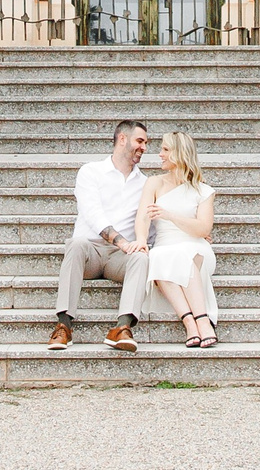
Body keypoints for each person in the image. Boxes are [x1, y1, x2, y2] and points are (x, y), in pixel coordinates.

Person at [50, 119, 154, 351]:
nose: (144, 148)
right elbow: (93, 214)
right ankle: (64, 325)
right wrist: (122, 241)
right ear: (122, 139)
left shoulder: (146, 183)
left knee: (141, 256)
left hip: (120, 258)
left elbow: (151, 224)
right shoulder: (91, 171)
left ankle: (122, 327)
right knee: (75, 244)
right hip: (91, 251)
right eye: (140, 141)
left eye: (146, 143)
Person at [138, 131, 220, 348]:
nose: (160, 155)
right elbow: (143, 218)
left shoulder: (203, 191)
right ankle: (192, 323)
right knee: (157, 256)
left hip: (196, 247)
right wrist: (140, 240)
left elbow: (203, 228)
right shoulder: (154, 183)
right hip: (165, 246)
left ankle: (201, 320)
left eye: (165, 149)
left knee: (182, 254)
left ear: (179, 153)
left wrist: (170, 215)